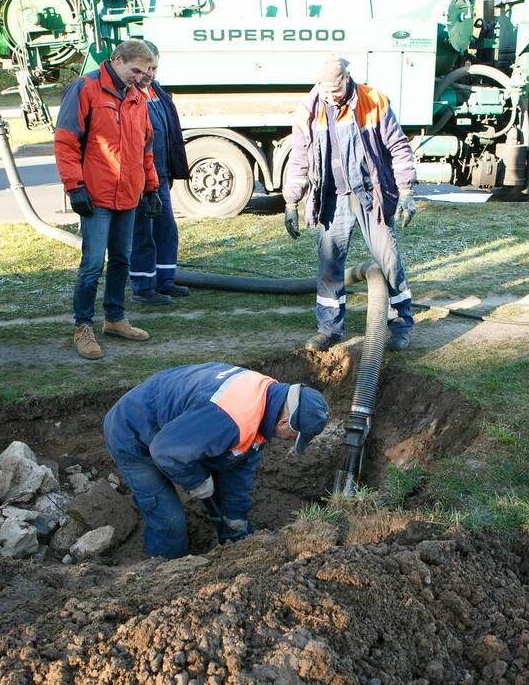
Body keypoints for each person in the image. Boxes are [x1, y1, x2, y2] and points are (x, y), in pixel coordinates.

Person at [103, 363, 329, 558]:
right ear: (284, 422)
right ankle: (168, 573)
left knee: (217, 485)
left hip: (178, 429)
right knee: (169, 522)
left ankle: (226, 540)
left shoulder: (268, 400)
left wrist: (235, 518)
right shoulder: (231, 416)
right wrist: (196, 481)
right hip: (133, 431)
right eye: (294, 437)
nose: (290, 442)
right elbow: (164, 451)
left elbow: (240, 466)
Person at [283, 55, 418, 352]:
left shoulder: (373, 101)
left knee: (389, 259)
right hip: (333, 197)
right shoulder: (309, 109)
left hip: (372, 194)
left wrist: (406, 190)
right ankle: (329, 329)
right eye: (325, 89)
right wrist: (292, 202)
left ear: (347, 77)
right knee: (329, 264)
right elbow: (300, 158)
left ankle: (400, 323)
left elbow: (398, 146)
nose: (331, 95)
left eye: (336, 88)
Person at [55, 39, 162, 360]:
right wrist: (74, 187)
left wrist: (152, 187)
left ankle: (114, 319)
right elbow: (66, 141)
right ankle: (82, 326)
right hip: (96, 195)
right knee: (91, 265)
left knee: (121, 260)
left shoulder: (137, 97)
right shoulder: (85, 88)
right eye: (135, 70)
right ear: (116, 60)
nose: (141, 77)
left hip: (128, 194)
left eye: (146, 71)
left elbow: (145, 146)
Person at [129, 41, 192, 306]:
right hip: (141, 177)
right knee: (145, 231)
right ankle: (143, 287)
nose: (151, 73)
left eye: (154, 67)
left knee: (166, 228)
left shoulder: (154, 90)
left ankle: (165, 281)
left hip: (161, 174)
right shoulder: (129, 93)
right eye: (146, 68)